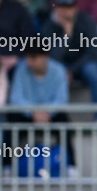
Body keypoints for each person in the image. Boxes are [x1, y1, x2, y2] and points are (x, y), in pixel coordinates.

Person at [8, 43, 76, 175]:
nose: (29, 62)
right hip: (28, 114)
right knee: (12, 121)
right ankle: (8, 165)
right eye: (27, 57)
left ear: (45, 56)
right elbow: (16, 97)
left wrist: (46, 112)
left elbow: (61, 98)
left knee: (65, 123)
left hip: (50, 115)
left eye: (33, 57)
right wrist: (33, 112)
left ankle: (71, 164)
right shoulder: (21, 69)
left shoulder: (58, 70)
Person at [41, 0, 97, 118]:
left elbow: (93, 52)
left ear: (75, 8)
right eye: (61, 7)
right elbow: (52, 57)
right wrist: (66, 35)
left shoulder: (86, 21)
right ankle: (54, 117)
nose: (65, 11)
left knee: (93, 71)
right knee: (54, 71)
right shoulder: (49, 26)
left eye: (68, 8)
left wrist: (71, 70)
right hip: (61, 66)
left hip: (83, 64)